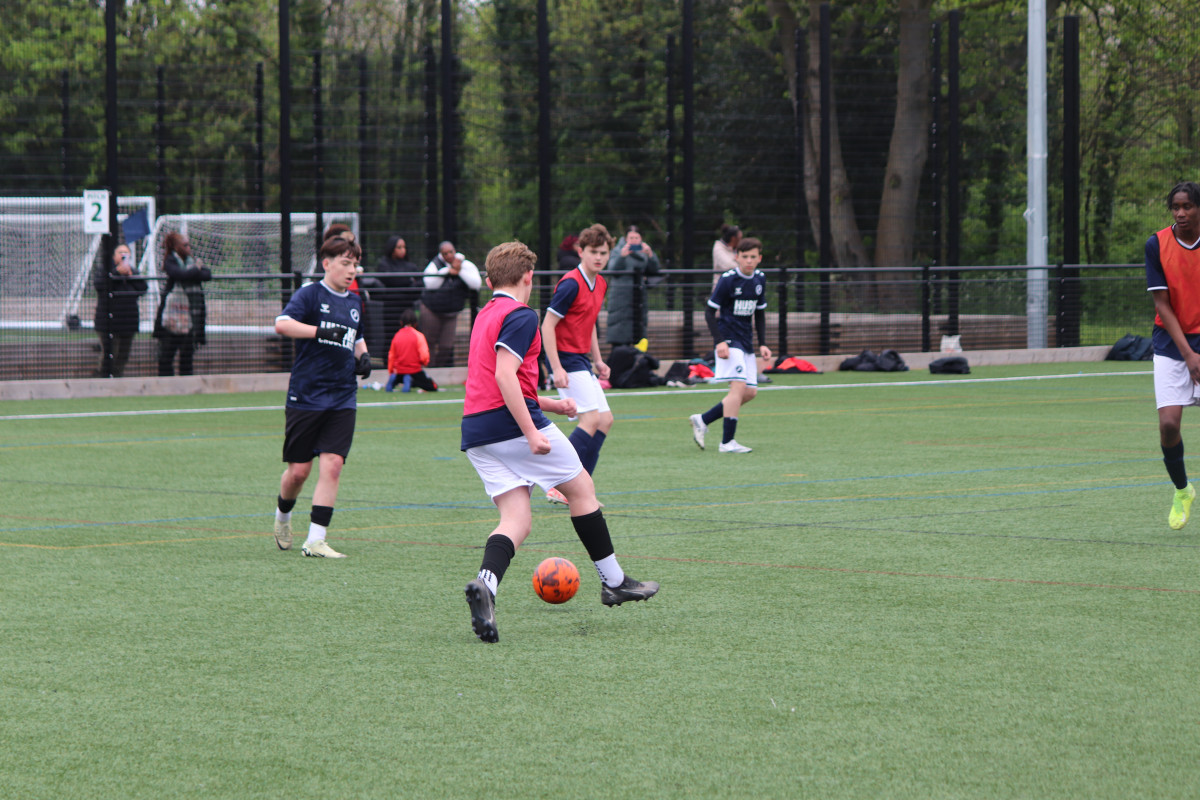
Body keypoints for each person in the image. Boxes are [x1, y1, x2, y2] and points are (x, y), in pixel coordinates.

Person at [460, 240, 659, 643]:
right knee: (582, 489)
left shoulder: (485, 314)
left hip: (477, 431)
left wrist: (551, 404)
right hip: (511, 426)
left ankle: (486, 585)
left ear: (489, 281)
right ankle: (614, 582)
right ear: (529, 277)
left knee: (516, 519)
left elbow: (500, 381)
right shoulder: (521, 315)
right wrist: (532, 431)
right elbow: (504, 375)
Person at [270, 232, 372, 559]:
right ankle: (283, 515)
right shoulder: (310, 294)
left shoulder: (355, 300)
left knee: (333, 465)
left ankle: (316, 539)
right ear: (327, 264)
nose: (351, 270)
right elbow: (282, 324)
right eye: (345, 263)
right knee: (299, 472)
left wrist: (363, 355)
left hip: (343, 396)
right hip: (307, 395)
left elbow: (356, 335)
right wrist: (318, 330)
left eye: (355, 264)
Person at [541, 223, 614, 506]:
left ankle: (580, 490)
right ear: (580, 251)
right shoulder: (571, 283)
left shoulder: (601, 283)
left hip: (581, 359)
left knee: (604, 420)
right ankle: (556, 484)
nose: (599, 257)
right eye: (593, 252)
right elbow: (547, 325)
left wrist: (598, 359)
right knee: (591, 420)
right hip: (565, 358)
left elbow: (589, 322)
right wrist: (556, 367)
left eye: (603, 253)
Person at [1146, 180, 1200, 530]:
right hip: (1171, 342)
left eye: (1187, 206)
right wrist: (1189, 355)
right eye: (1175, 207)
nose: (1180, 213)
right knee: (1168, 425)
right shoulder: (1156, 244)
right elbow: (1162, 304)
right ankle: (1183, 490)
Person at [688, 237, 772, 454]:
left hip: (746, 342)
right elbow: (709, 312)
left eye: (753, 257)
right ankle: (727, 442)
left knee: (750, 392)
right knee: (738, 388)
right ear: (737, 257)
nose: (749, 261)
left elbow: (760, 314)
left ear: (760, 258)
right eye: (745, 256)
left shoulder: (760, 279)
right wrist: (719, 342)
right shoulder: (728, 280)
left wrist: (763, 344)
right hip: (729, 341)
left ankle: (703, 419)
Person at [154, 231, 211, 377]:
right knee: (166, 355)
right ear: (177, 247)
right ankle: (166, 384)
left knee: (187, 355)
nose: (188, 248)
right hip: (172, 316)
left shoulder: (191, 261)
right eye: (185, 245)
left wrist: (192, 272)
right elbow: (180, 275)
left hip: (191, 316)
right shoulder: (170, 261)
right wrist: (196, 270)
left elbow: (207, 274)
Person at [419, 240, 482, 367]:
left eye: (451, 252)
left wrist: (459, 270)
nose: (449, 255)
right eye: (445, 253)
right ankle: (430, 370)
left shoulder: (464, 264)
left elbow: (476, 284)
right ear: (441, 254)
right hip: (431, 310)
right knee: (429, 342)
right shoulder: (435, 264)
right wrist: (447, 271)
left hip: (451, 313)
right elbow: (430, 284)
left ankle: (438, 368)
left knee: (446, 346)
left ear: (455, 251)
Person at [93, 243, 147, 378]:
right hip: (108, 323)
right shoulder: (105, 270)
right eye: (120, 252)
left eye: (126, 252)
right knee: (110, 354)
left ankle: (118, 378)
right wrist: (116, 273)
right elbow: (99, 285)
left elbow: (143, 288)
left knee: (123, 356)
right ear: (114, 256)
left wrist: (131, 275)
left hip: (128, 323)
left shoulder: (133, 272)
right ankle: (103, 377)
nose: (124, 255)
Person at [604, 225, 661, 351]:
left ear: (641, 239)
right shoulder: (618, 251)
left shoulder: (644, 253)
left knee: (638, 330)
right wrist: (622, 256)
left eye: (636, 238)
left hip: (638, 296)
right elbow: (612, 269)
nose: (634, 240)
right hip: (620, 297)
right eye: (631, 238)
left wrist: (651, 255)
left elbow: (655, 270)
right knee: (620, 331)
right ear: (626, 238)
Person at [373, 234, 421, 336]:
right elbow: (392, 279)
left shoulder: (410, 266)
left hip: (407, 307)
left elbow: (420, 283)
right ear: (392, 248)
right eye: (399, 247)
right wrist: (409, 282)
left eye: (404, 247)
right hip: (391, 310)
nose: (403, 250)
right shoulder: (384, 264)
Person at [385, 307, 439, 392]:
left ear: (401, 322)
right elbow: (424, 355)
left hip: (399, 371)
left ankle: (395, 380)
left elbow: (391, 356)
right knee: (433, 387)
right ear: (416, 323)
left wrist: (391, 371)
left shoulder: (397, 336)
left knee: (399, 378)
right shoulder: (418, 335)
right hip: (414, 371)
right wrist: (424, 362)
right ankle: (410, 380)